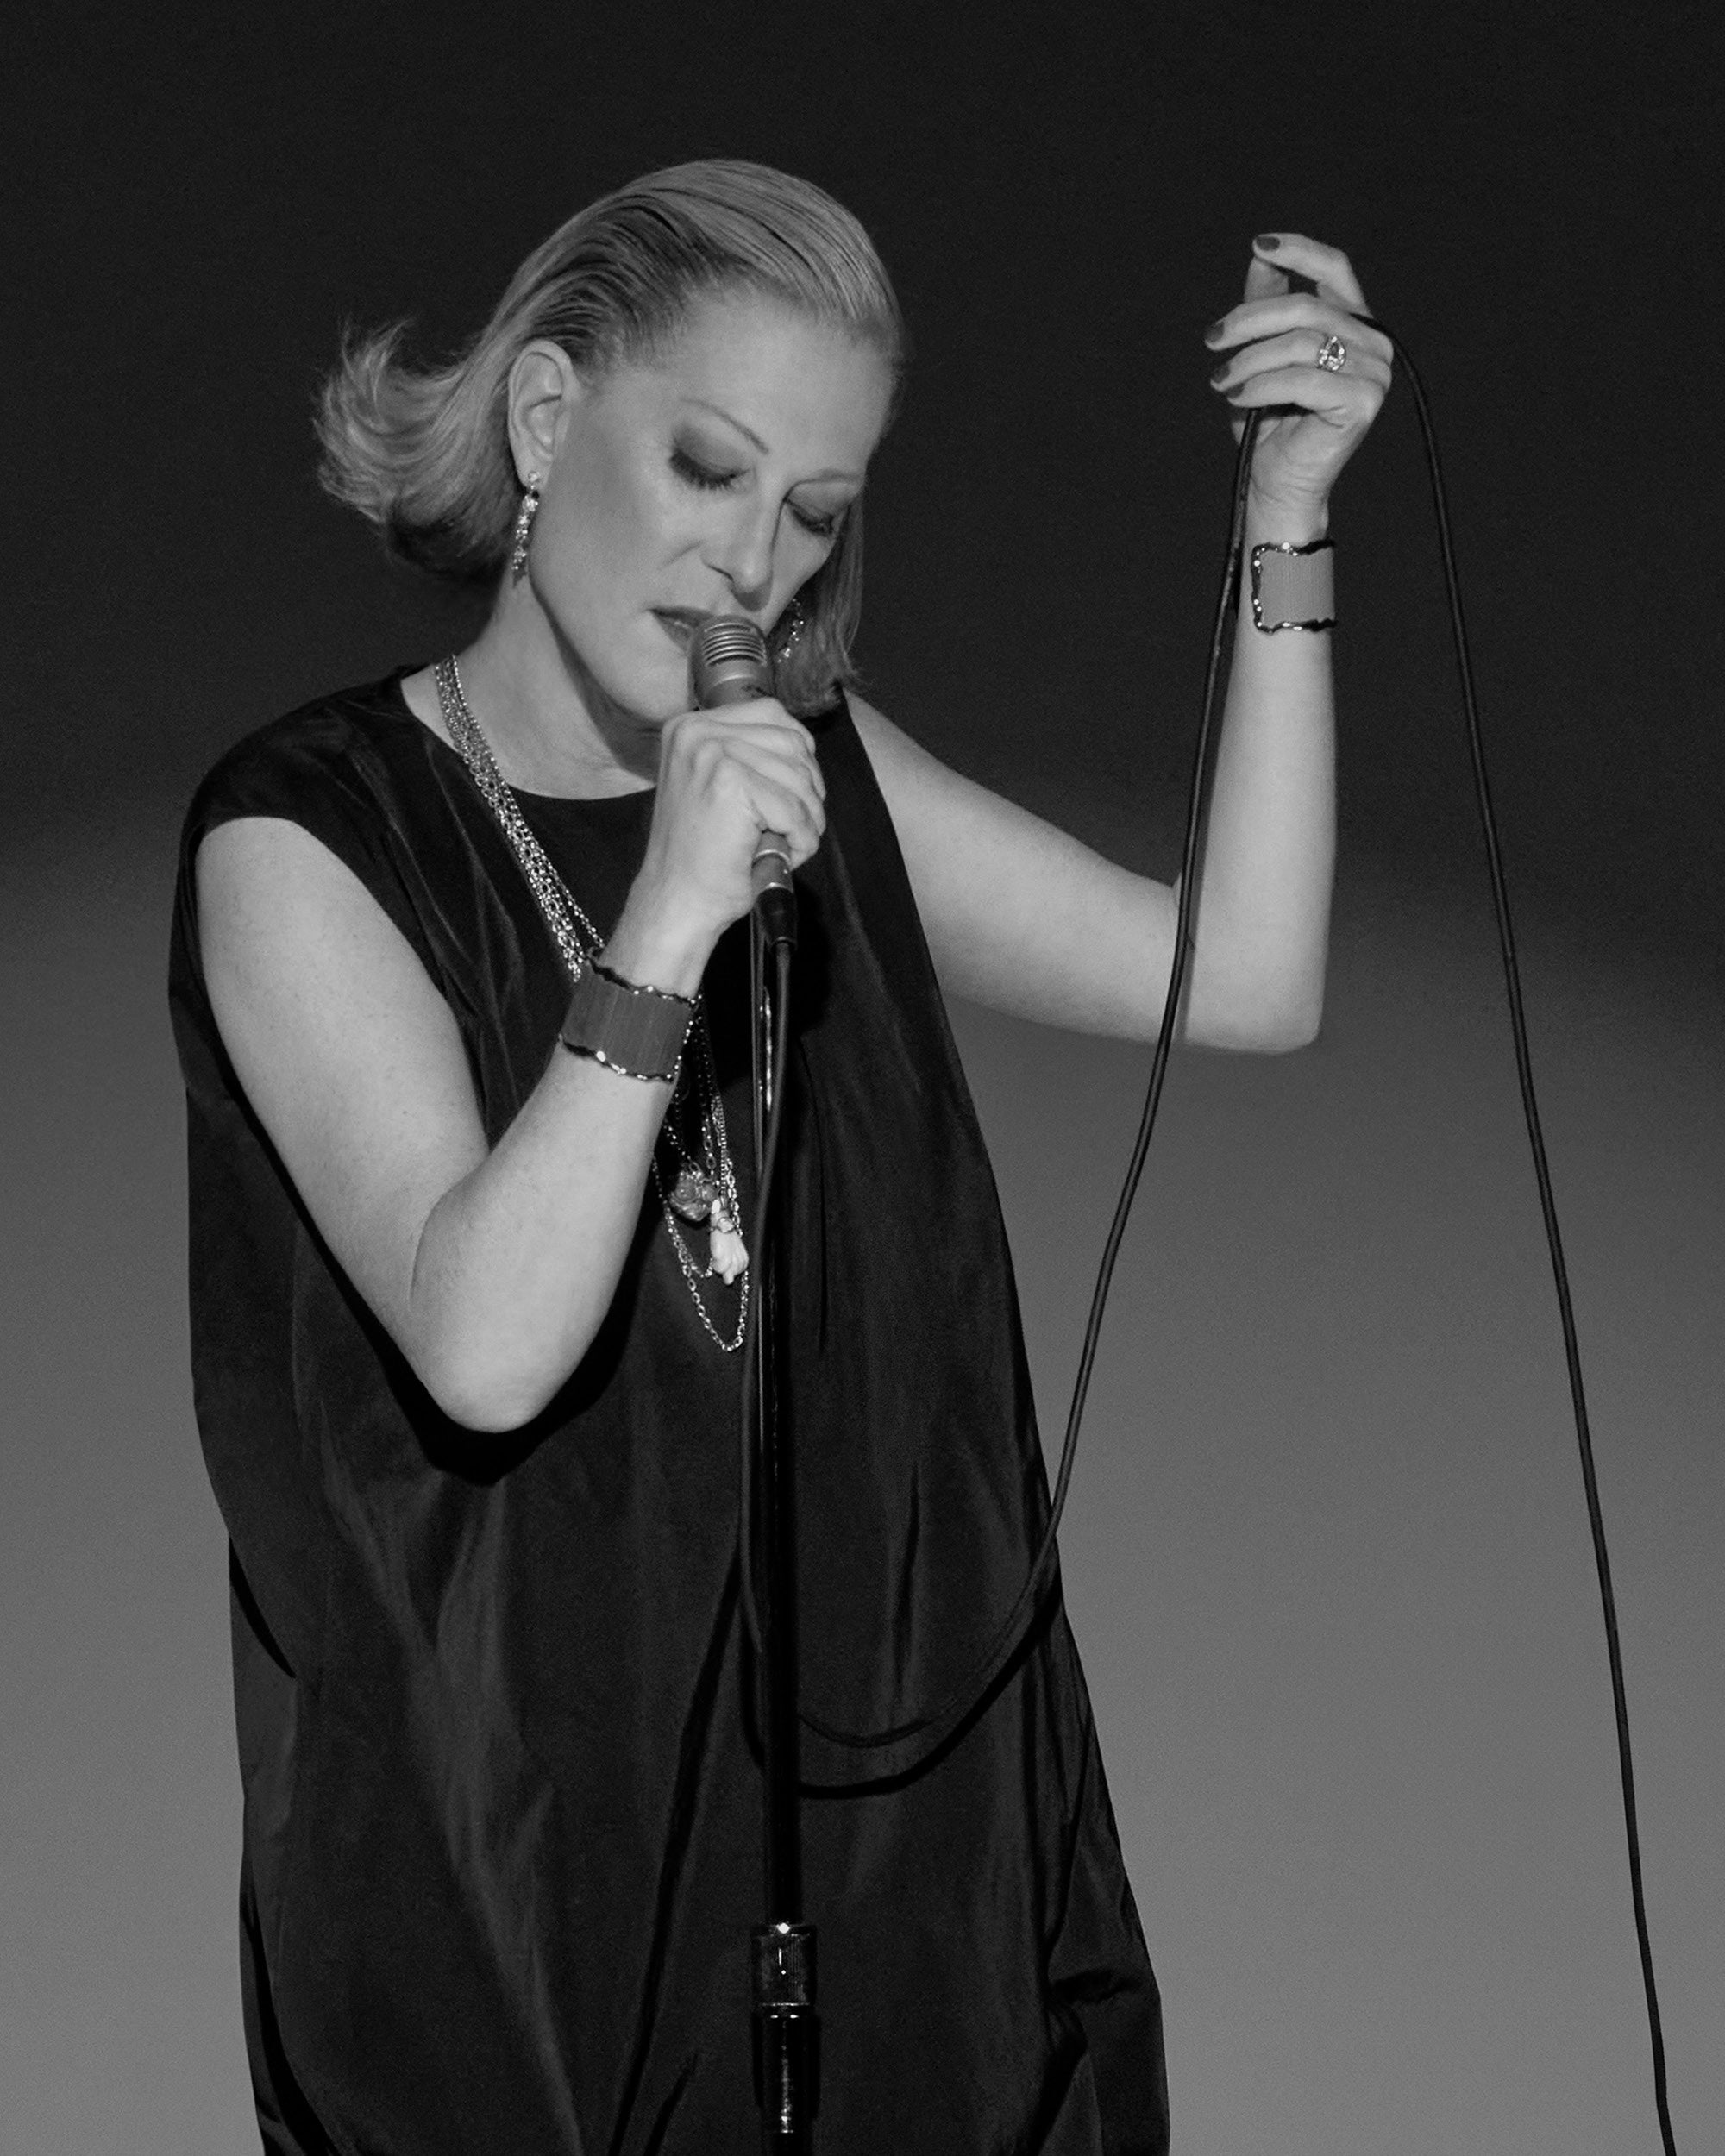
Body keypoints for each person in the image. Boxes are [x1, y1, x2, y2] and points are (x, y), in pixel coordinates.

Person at [170, 160, 1388, 2153]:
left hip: (909, 1862)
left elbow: (1240, 975)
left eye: (812, 512)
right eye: (711, 468)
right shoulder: (302, 841)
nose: (753, 559)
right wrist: (660, 922)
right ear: (549, 421)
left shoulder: (826, 773)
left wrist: (1285, 517)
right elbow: (484, 1337)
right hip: (521, 1916)